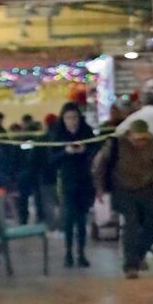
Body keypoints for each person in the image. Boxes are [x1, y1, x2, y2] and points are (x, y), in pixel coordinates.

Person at [92, 119, 153, 279]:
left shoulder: (151, 142)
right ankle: (130, 265)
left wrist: (152, 174)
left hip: (147, 187)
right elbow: (100, 165)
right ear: (129, 135)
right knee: (131, 223)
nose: (141, 142)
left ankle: (138, 255)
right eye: (137, 139)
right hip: (123, 188)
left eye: (144, 139)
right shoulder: (116, 144)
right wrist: (100, 189)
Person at [49, 102, 98, 268]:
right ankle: (68, 253)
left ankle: (81, 253)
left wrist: (86, 151)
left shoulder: (86, 132)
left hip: (84, 180)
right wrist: (66, 152)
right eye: (69, 118)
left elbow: (96, 151)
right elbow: (52, 159)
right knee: (70, 218)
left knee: (82, 219)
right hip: (67, 180)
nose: (72, 121)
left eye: (75, 117)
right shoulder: (58, 135)